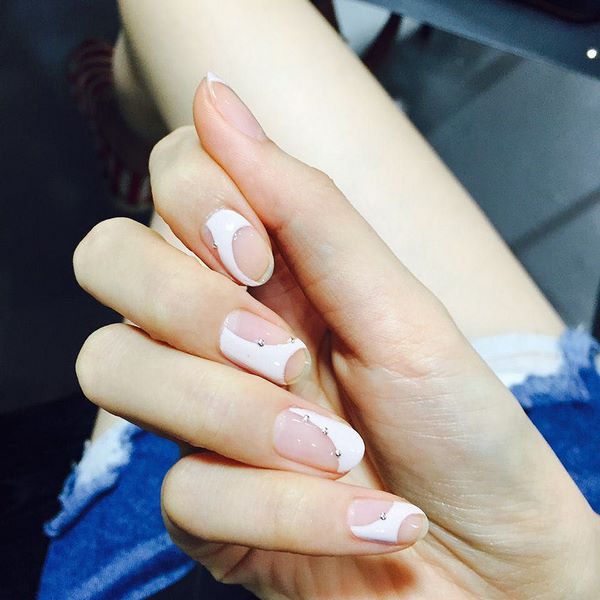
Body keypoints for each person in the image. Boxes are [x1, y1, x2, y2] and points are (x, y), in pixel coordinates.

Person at [39, 1, 600, 598]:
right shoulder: (518, 513)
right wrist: (558, 576)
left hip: (167, 564)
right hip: (546, 508)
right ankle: (138, 128)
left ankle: (132, 130)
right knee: (211, 158)